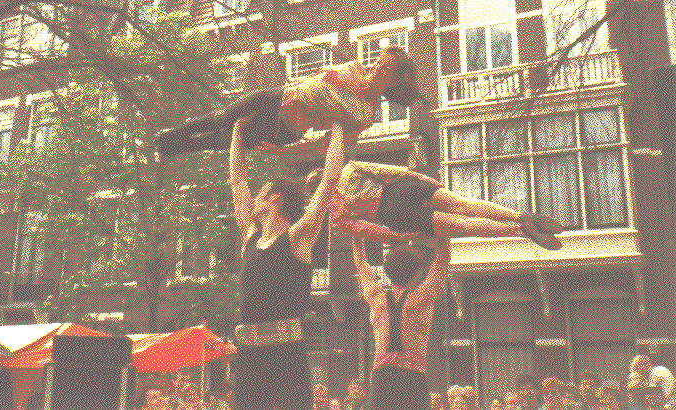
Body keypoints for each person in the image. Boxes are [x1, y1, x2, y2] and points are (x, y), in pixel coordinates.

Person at [229, 117, 345, 410]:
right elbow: (238, 181)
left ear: (275, 198)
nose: (253, 199)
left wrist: (337, 126)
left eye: (260, 194)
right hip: (248, 359)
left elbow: (330, 181)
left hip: (285, 358)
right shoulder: (250, 238)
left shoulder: (297, 238)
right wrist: (237, 133)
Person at [155, 46, 418, 158]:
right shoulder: (353, 67)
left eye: (384, 67)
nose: (376, 66)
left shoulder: (364, 115)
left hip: (284, 128)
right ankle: (170, 134)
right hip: (279, 96)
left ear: (394, 82)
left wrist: (282, 152)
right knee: (224, 117)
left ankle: (171, 149)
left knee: (221, 140)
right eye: (378, 60)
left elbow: (324, 144)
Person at [305, 160, 564, 251]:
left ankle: (521, 231)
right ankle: (520, 216)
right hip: (399, 188)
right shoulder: (350, 169)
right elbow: (391, 171)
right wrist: (421, 179)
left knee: (461, 225)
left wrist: (403, 236)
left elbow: (372, 231)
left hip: (392, 213)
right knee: (463, 204)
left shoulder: (335, 216)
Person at [351, 209, 450, 410]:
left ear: (388, 272)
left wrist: (357, 230)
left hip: (382, 378)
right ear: (416, 275)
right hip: (413, 377)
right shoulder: (421, 298)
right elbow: (442, 260)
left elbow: (360, 263)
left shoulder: (377, 299)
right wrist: (440, 228)